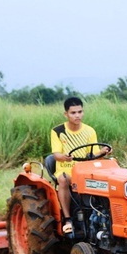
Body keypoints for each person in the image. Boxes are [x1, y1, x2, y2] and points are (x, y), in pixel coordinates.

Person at [50, 96, 111, 233]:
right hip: (66, 169)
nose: (77, 115)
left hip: (85, 169)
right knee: (63, 179)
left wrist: (102, 152)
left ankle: (104, 216)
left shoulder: (89, 130)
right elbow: (56, 155)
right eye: (73, 113)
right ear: (66, 114)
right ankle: (68, 219)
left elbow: (93, 154)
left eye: (80, 112)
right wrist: (64, 157)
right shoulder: (58, 131)